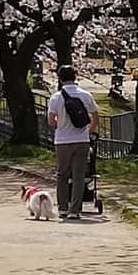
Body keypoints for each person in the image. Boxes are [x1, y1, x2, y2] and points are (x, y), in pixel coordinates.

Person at [47, 64, 99, 220]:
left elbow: (51, 120)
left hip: (62, 141)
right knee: (79, 175)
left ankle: (62, 208)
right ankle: (74, 210)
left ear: (60, 78)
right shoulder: (85, 95)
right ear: (75, 76)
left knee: (62, 174)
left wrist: (60, 124)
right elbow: (95, 116)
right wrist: (89, 131)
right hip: (81, 140)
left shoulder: (56, 97)